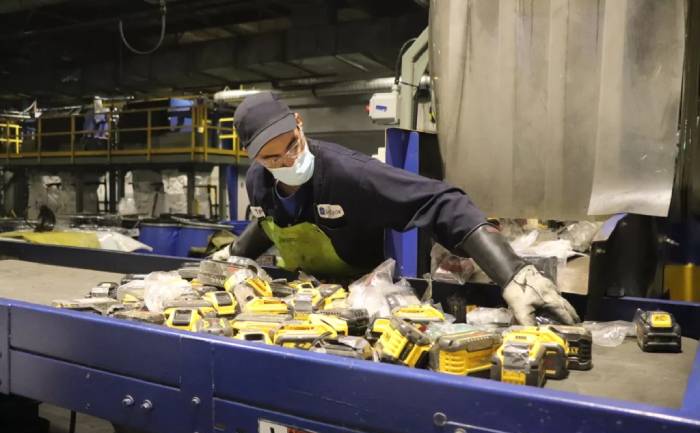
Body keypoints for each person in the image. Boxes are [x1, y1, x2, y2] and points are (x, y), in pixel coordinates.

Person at [213, 92, 579, 326]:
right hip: (297, 309)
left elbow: (442, 201)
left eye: (292, 145)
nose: (288, 160)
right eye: (271, 157)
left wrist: (514, 275)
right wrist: (229, 260)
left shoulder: (350, 175)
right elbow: (269, 224)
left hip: (362, 308)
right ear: (253, 157)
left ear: (299, 123)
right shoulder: (258, 183)